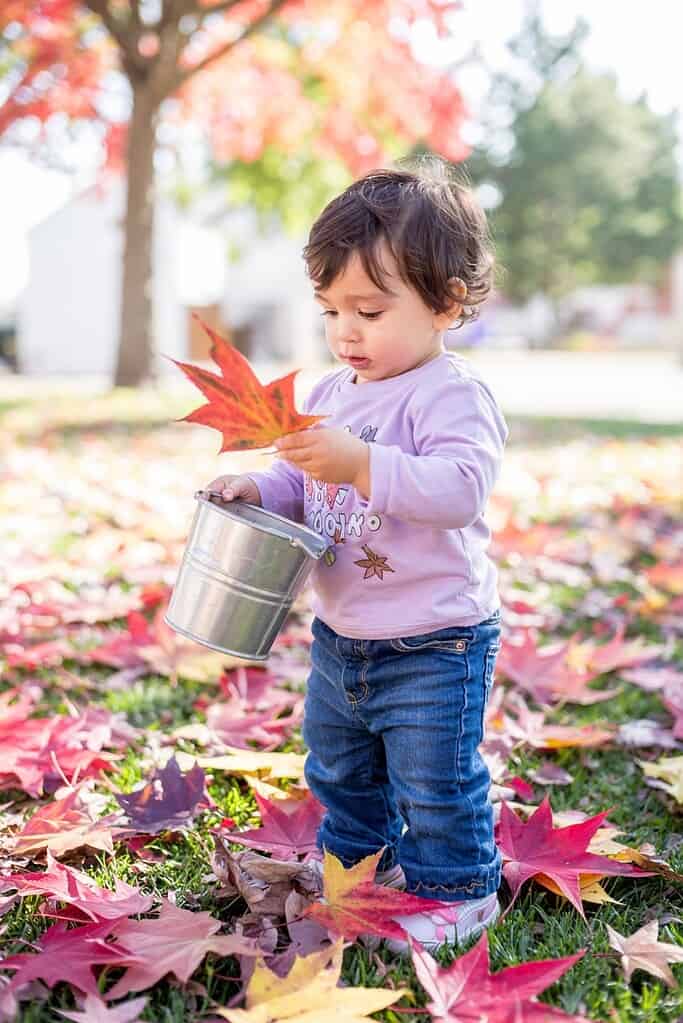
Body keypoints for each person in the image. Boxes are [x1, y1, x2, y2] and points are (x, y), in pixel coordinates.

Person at [206, 159, 509, 953]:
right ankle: (359, 869)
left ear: (444, 303)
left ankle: (458, 889)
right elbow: (297, 476)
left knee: (434, 778)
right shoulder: (337, 393)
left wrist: (363, 464)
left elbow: (459, 489)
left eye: (369, 310)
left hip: (435, 639)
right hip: (344, 636)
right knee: (340, 768)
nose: (345, 332)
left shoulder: (451, 392)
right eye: (331, 309)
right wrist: (259, 487)